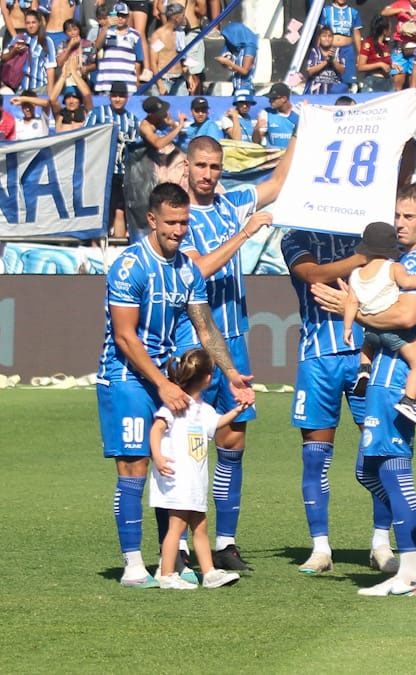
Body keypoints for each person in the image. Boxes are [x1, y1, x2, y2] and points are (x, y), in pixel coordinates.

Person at [97, 182, 254, 589]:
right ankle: (133, 564)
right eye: (171, 222)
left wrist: (232, 373)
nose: (179, 230)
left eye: (184, 222)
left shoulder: (187, 269)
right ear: (152, 219)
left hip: (166, 379)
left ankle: (174, 559)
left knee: (178, 466)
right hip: (127, 376)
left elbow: (205, 328)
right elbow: (125, 338)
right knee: (135, 466)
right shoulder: (130, 266)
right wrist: (162, 385)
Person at [312, 183, 416, 598]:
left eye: (409, 217)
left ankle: (413, 566)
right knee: (369, 470)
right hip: (386, 375)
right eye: (398, 215)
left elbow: (406, 316)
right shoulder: (410, 260)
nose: (400, 223)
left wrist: (350, 310)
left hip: (397, 378)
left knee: (391, 468)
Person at [171, 135, 295, 572]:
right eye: (200, 166)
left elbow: (279, 182)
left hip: (236, 338)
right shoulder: (179, 217)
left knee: (234, 440)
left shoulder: (232, 201)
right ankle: (180, 544)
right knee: (185, 442)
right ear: (186, 166)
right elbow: (199, 269)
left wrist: (305, 125)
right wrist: (245, 234)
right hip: (195, 342)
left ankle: (226, 541)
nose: (207, 175)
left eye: (215, 167)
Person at [279, 216, 371, 575]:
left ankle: (381, 544)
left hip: (368, 350)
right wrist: (364, 256)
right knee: (315, 458)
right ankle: (320, 548)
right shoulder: (294, 236)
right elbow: (312, 275)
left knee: (381, 450)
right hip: (318, 356)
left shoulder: (364, 226)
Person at [150, 348, 246, 590]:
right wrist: (158, 457)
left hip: (195, 479)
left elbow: (214, 424)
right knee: (177, 526)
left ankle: (209, 572)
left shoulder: (203, 409)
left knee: (200, 525)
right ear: (207, 378)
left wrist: (237, 411)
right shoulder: (176, 404)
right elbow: (157, 429)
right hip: (177, 478)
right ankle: (166, 573)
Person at [344, 221, 416, 426]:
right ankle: (409, 400)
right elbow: (408, 283)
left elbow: (351, 302)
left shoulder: (355, 274)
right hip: (393, 332)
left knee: (368, 344)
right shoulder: (394, 267)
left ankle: (364, 368)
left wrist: (347, 328)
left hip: (370, 331)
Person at [84, 80, 138, 238]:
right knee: (101, 211)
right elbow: (86, 136)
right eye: (114, 96)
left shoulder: (132, 119)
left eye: (121, 96)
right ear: (109, 97)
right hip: (101, 172)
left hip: (122, 173)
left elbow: (137, 146)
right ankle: (97, 247)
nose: (118, 99)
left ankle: (117, 249)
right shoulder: (98, 113)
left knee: (120, 211)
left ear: (127, 97)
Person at [2, 11, 57, 94]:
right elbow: (4, 58)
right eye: (28, 23)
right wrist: (14, 51)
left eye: (33, 22)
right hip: (21, 87)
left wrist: (50, 93)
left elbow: (50, 68)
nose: (31, 26)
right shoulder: (19, 38)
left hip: (40, 87)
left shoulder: (47, 41)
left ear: (39, 23)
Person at [321, 0, 363, 88]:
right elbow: (320, 33)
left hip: (348, 50)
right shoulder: (325, 11)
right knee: (327, 79)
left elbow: (357, 34)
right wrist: (320, 51)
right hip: (331, 49)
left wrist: (360, 54)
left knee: (348, 81)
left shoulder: (353, 12)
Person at [149, 4, 187, 95]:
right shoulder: (159, 35)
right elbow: (153, 61)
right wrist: (160, 84)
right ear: (177, 18)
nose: (184, 18)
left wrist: (189, 77)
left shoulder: (180, 33)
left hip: (180, 80)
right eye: (183, 16)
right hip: (165, 80)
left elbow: (182, 58)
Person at [216, 21, 258, 92]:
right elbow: (235, 67)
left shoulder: (250, 48)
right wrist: (226, 63)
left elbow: (245, 71)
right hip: (236, 87)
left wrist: (229, 63)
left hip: (245, 88)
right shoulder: (237, 48)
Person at [255, 83, 298, 150]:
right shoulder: (266, 113)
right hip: (273, 157)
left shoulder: (299, 113)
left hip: (293, 157)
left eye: (273, 98)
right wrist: (257, 129)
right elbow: (256, 141)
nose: (270, 101)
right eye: (270, 98)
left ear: (284, 98)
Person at [305, 26, 347, 95]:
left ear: (332, 38)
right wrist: (326, 61)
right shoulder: (314, 51)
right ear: (319, 38)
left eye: (329, 36)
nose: (327, 39)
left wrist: (333, 60)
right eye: (324, 36)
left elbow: (342, 71)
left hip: (333, 91)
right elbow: (310, 71)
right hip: (315, 91)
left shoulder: (338, 51)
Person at [358, 17, 394, 92]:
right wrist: (380, 64)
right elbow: (361, 67)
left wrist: (393, 66)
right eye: (390, 28)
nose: (391, 31)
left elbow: (386, 64)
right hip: (373, 82)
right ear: (384, 31)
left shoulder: (385, 45)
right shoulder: (368, 43)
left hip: (387, 81)